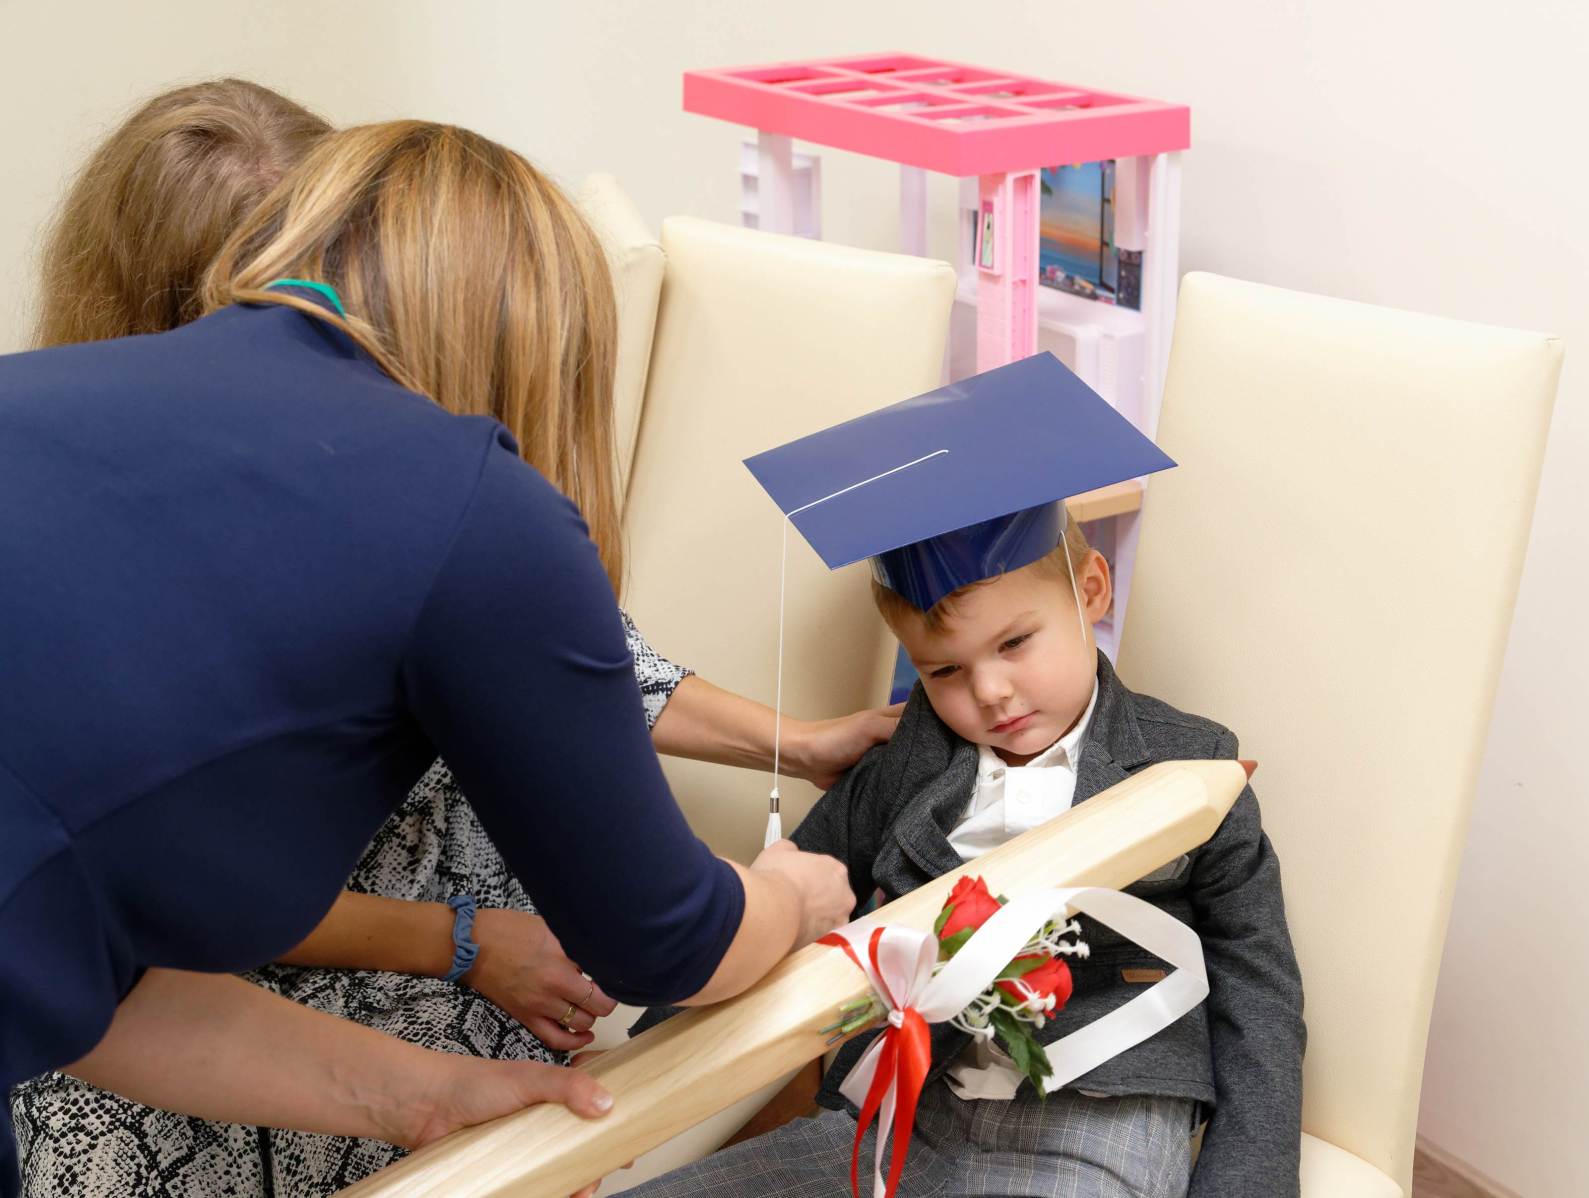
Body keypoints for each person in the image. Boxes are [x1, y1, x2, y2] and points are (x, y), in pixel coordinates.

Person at [9, 81, 894, 1198]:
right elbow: (671, 941)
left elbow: (106, 985)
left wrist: (422, 1096)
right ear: (536, 341)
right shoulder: (470, 504)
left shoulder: (51, 405)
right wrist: (790, 898)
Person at [623, 354, 1306, 1198]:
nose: (989, 692)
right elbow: (779, 901)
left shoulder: (1190, 765)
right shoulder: (903, 767)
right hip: (903, 1120)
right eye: (943, 670)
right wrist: (633, 1080)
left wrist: (1245, 1183)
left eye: (1015, 643)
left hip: (1097, 1120)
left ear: (1092, 591)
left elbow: (1258, 987)